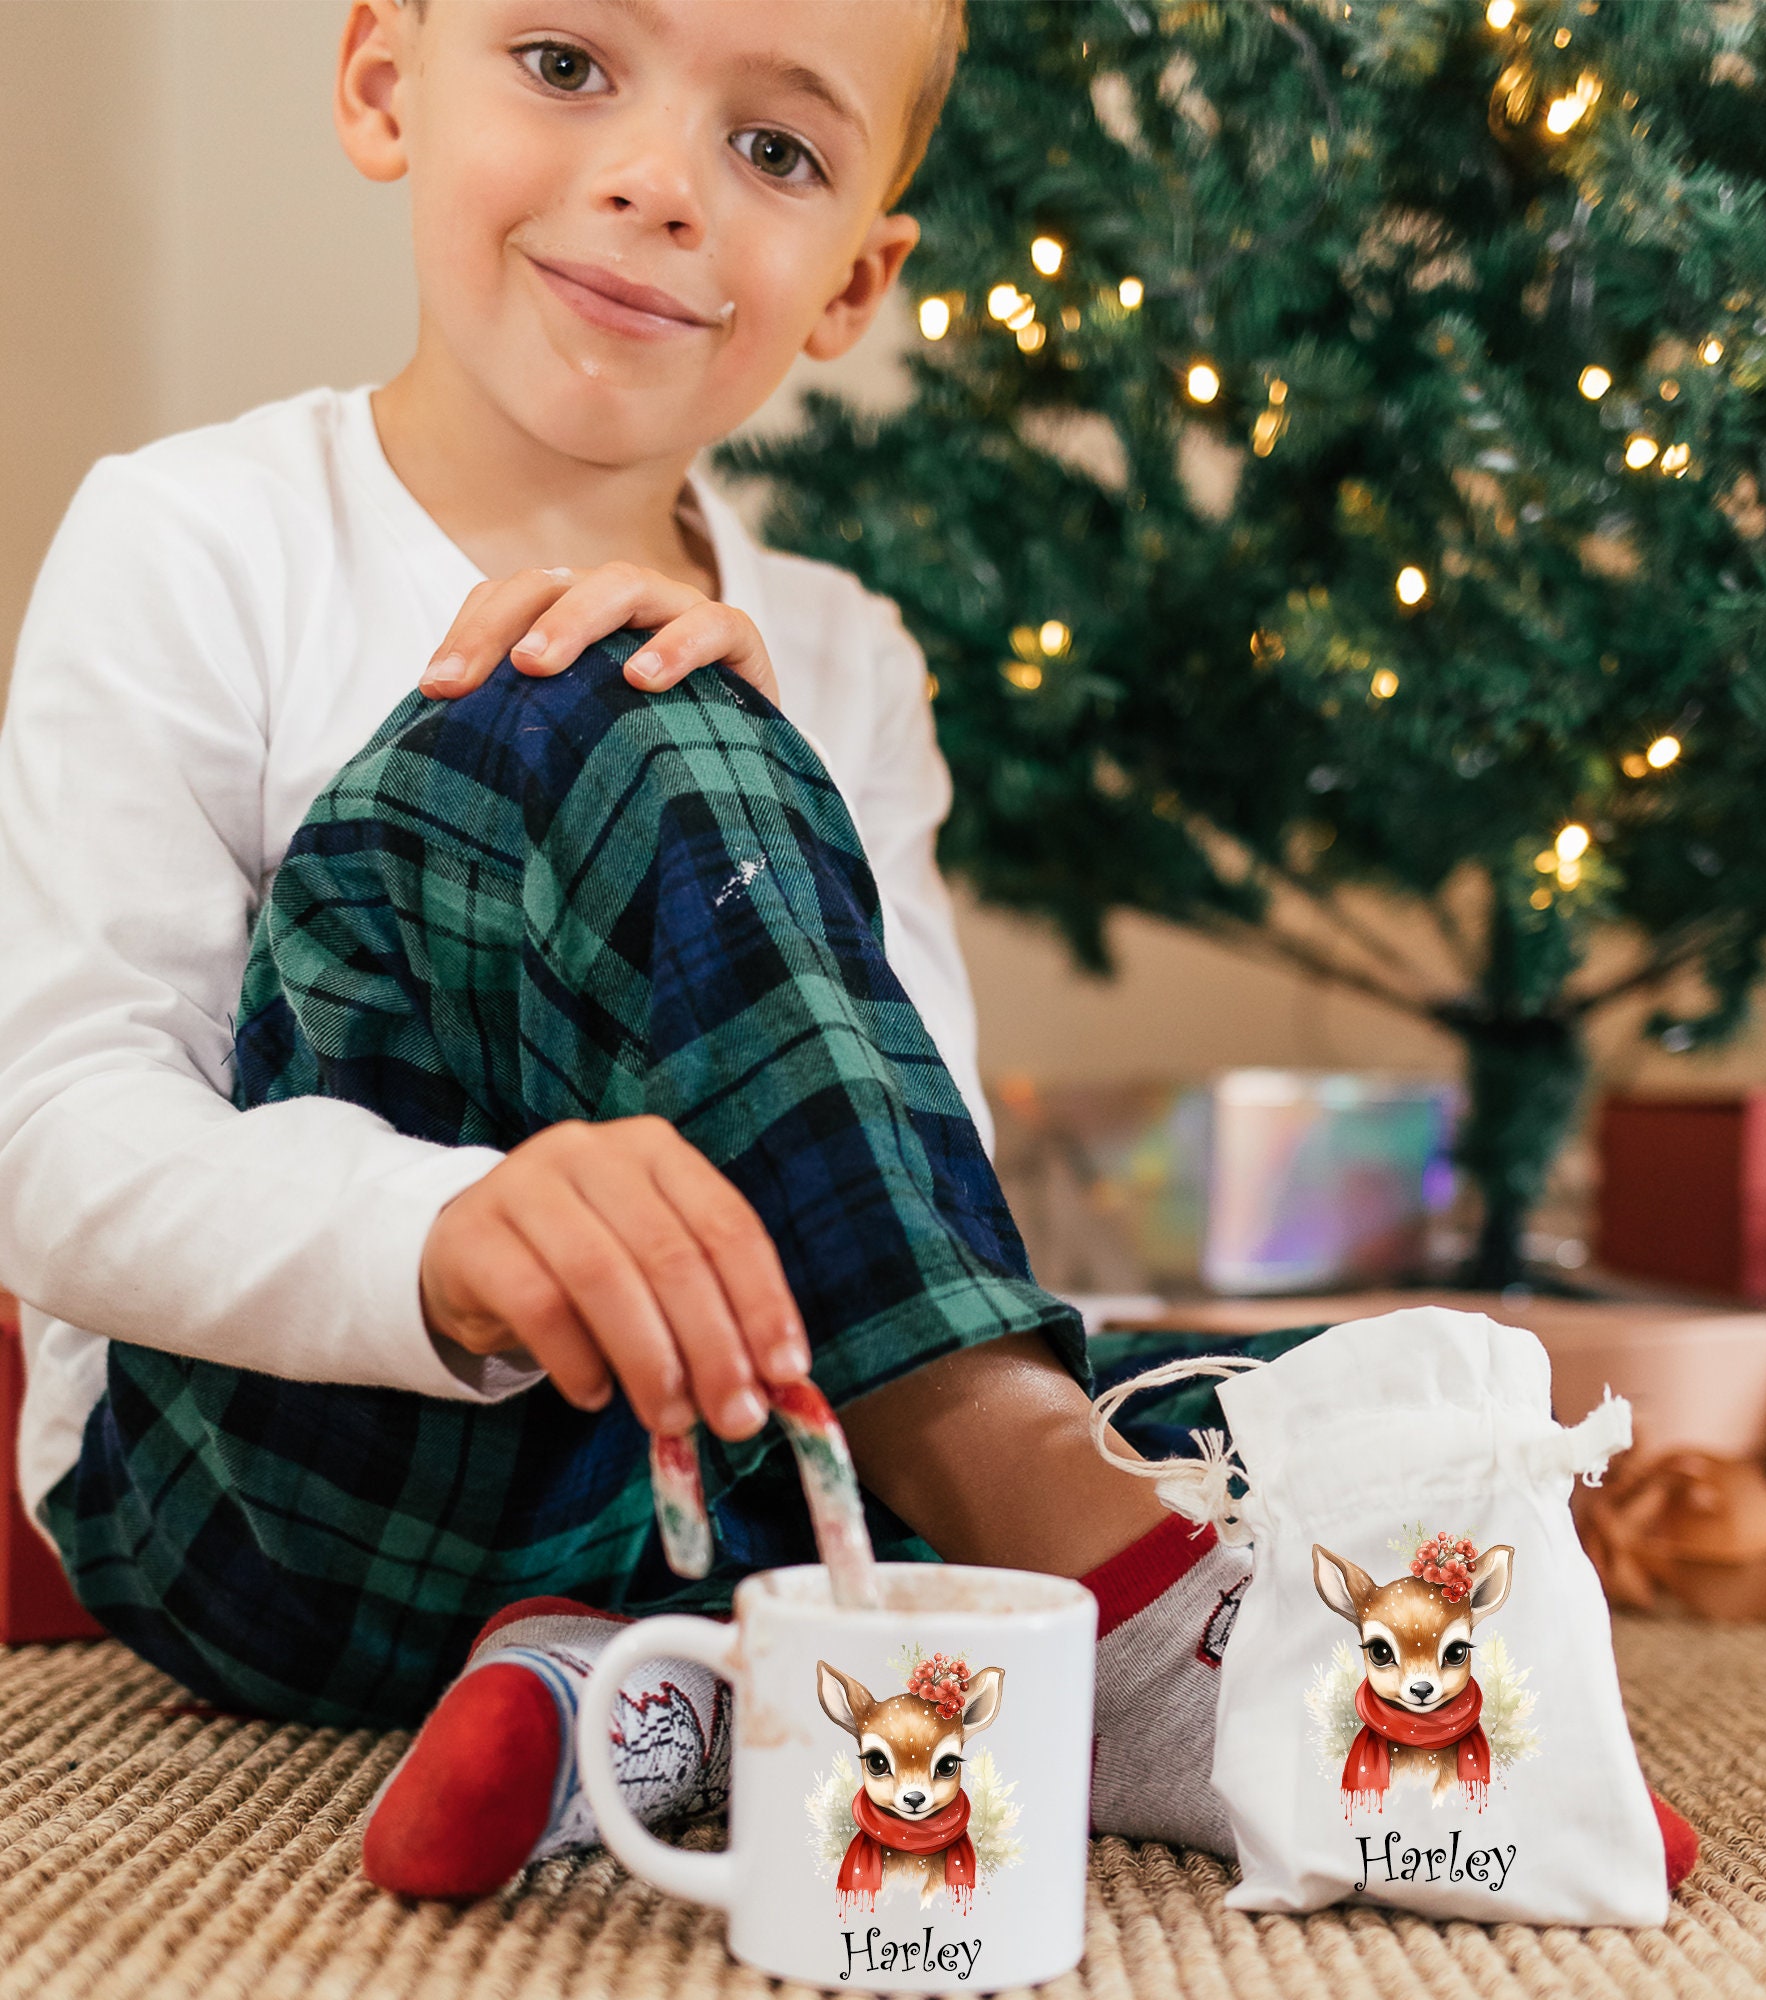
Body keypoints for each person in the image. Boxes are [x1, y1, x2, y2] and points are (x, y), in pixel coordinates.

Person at [0, 0, 1251, 1900]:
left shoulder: (847, 646)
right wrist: (446, 1236)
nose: (660, 183)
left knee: (1307, 1384)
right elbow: (52, 1133)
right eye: (570, 65)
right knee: (605, 681)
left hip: (712, 1472)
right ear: (380, 80)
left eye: (777, 152)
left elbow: (910, 1208)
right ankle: (1070, 1565)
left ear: (854, 281)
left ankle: (623, 1698)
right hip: (261, 1505)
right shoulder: (197, 537)